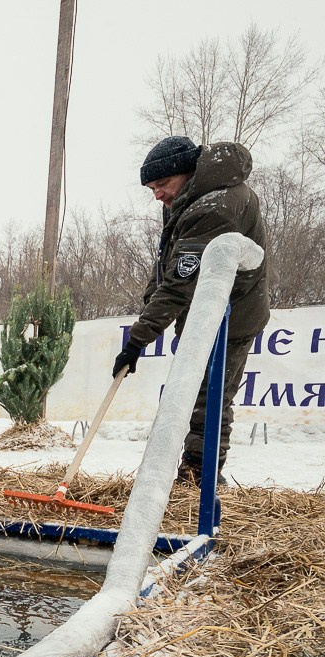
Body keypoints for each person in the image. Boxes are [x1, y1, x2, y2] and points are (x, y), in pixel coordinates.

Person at [113, 137, 269, 486]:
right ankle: (195, 471)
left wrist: (138, 339)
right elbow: (168, 268)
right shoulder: (189, 199)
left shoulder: (214, 207)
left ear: (186, 172)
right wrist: (148, 307)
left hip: (229, 316)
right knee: (197, 391)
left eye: (162, 185)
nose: (157, 195)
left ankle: (199, 476)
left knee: (209, 394)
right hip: (207, 312)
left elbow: (179, 284)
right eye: (152, 188)